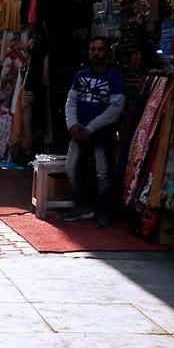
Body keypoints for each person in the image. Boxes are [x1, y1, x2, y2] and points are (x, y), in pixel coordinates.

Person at [62, 36, 125, 228]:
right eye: (92, 49)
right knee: (71, 168)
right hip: (79, 132)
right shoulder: (81, 75)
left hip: (101, 133)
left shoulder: (114, 77)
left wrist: (91, 127)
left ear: (107, 52)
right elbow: (71, 101)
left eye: (100, 49)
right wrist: (72, 124)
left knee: (103, 174)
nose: (96, 53)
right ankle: (82, 207)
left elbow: (116, 107)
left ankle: (103, 213)